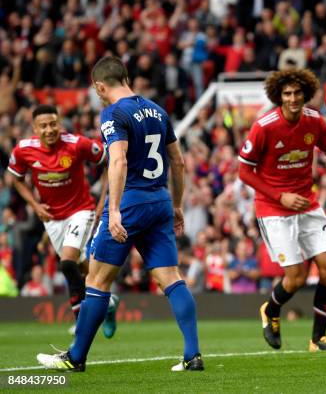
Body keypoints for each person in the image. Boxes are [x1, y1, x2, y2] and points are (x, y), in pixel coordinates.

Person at [36, 56, 203, 372]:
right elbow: (178, 162)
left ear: (100, 86)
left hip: (130, 203)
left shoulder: (113, 113)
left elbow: (118, 161)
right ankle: (192, 354)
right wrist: (178, 205)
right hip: (160, 202)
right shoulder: (158, 111)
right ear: (125, 77)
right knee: (171, 278)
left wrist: (113, 211)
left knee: (97, 280)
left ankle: (76, 357)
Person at [238, 68, 326, 352]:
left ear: (305, 94)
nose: (293, 98)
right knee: (295, 277)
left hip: (307, 203)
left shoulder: (314, 121)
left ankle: (318, 338)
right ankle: (270, 310)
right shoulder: (265, 126)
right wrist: (279, 196)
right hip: (273, 208)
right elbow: (244, 172)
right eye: (287, 94)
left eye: (297, 93)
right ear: (278, 97)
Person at [8, 104, 118, 337]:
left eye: (53, 124)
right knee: (79, 268)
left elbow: (110, 160)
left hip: (81, 210)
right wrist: (35, 205)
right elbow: (16, 178)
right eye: (44, 126)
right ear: (34, 129)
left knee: (67, 262)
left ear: (59, 123)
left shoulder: (77, 144)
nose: (50, 129)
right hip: (52, 218)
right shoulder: (23, 150)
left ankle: (82, 322)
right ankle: (107, 304)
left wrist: (102, 203)